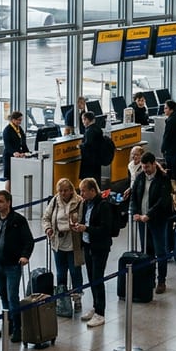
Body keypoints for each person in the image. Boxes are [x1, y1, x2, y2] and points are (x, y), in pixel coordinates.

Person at [0, 190, 33, 342]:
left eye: (0, 201)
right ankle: (8, 324)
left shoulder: (18, 220)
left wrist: (25, 256)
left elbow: (28, 240)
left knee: (12, 296)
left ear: (8, 203)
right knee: (3, 295)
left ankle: (18, 327)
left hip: (12, 265)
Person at [129, 152, 173, 293]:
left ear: (154, 164)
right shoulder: (140, 177)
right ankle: (150, 278)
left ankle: (161, 281)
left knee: (160, 251)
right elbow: (134, 196)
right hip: (142, 220)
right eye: (143, 167)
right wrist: (135, 211)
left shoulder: (163, 178)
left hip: (157, 220)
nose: (145, 170)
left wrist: (149, 215)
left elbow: (163, 201)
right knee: (147, 251)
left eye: (147, 167)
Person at [73, 178, 114, 328]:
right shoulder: (85, 204)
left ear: (92, 190)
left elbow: (105, 229)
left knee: (98, 277)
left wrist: (87, 229)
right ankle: (96, 306)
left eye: (83, 191)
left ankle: (101, 312)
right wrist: (79, 227)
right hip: (88, 245)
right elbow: (85, 221)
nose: (81, 193)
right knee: (91, 277)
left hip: (100, 247)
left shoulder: (103, 206)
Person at [41, 178, 84, 313]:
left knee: (75, 271)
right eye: (60, 191)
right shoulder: (55, 201)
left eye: (65, 190)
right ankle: (62, 300)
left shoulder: (79, 202)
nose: (63, 193)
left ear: (71, 190)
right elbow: (46, 217)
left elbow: (83, 218)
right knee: (60, 273)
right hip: (58, 243)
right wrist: (48, 228)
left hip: (74, 243)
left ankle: (77, 298)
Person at [1, 110, 29, 193]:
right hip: (9, 156)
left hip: (18, 156)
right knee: (9, 178)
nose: (20, 122)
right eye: (18, 120)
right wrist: (14, 152)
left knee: (16, 176)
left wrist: (27, 152)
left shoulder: (19, 129)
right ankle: (8, 195)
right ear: (13, 120)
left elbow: (23, 142)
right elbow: (7, 145)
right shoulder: (7, 130)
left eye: (21, 120)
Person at [78, 111, 106, 182]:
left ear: (86, 119)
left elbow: (88, 145)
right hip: (97, 160)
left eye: (83, 119)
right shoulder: (98, 129)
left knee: (88, 181)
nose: (83, 122)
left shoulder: (89, 131)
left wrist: (80, 146)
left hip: (89, 162)